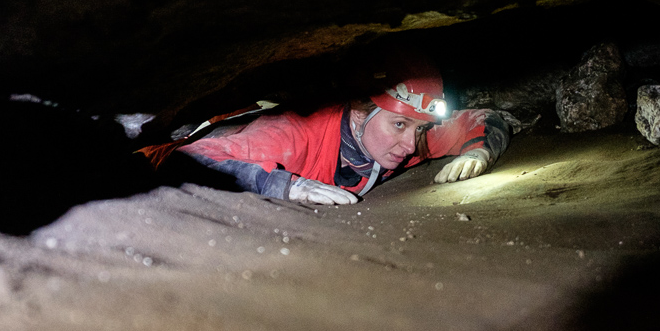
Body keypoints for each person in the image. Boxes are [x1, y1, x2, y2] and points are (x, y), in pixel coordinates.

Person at [159, 54, 509, 205]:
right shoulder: (292, 136)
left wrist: (480, 150)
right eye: (400, 124)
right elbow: (188, 158)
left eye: (419, 128)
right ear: (359, 114)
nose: (410, 144)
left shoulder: (411, 136)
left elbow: (483, 119)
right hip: (188, 139)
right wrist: (282, 184)